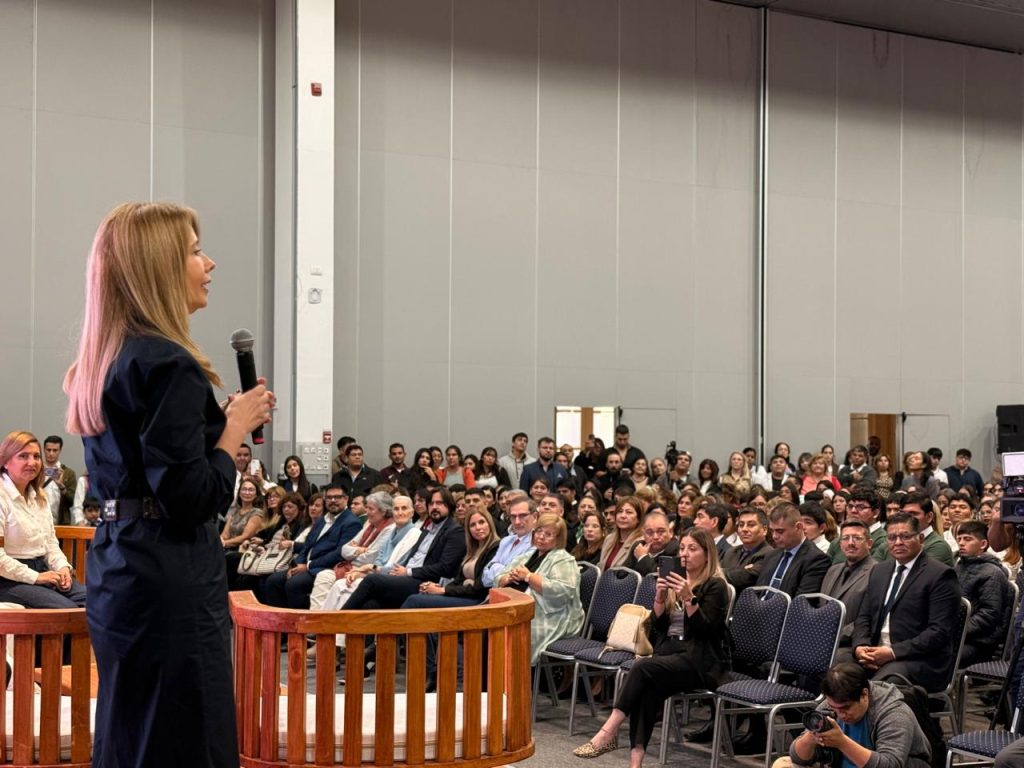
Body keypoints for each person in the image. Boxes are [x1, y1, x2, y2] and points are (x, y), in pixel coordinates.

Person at [64, 202, 275, 767]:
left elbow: (145, 470)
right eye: (194, 251)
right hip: (169, 573)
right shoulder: (168, 362)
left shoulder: (110, 357)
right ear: (158, 267)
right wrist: (234, 431)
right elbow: (190, 497)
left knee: (132, 730)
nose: (210, 263)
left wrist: (219, 426)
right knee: (185, 735)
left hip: (121, 562)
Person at [573, 528, 730, 767]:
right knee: (647, 691)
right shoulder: (676, 580)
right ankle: (635, 763)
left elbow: (706, 630)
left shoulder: (715, 586)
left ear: (708, 554)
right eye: (682, 548)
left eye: (693, 549)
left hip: (701, 661)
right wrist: (660, 597)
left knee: (642, 667)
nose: (685, 554)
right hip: (672, 654)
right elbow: (659, 627)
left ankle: (607, 732)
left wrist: (688, 598)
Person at [848, 513, 961, 691]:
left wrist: (893, 652)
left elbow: (938, 632)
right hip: (876, 651)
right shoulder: (879, 570)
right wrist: (861, 646)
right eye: (892, 537)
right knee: (837, 666)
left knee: (883, 685)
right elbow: (864, 616)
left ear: (921, 538)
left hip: (920, 659)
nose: (898, 542)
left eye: (905, 536)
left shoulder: (940, 575)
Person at [779, 662, 931, 768]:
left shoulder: (894, 712)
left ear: (864, 694)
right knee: (782, 764)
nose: (840, 714)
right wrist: (811, 738)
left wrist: (842, 742)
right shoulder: (829, 706)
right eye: (834, 708)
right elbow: (798, 758)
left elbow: (890, 765)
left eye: (846, 708)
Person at [0, 431, 88, 609]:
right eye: (23, 456)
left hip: (42, 569)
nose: (32, 462)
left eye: (36, 456)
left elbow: (50, 543)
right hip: (8, 578)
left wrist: (63, 567)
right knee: (66, 611)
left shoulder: (39, 496)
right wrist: (36, 577)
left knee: (96, 601)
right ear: (5, 462)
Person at [496, 514, 583, 664]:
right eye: (539, 531)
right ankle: (493, 676)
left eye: (548, 534)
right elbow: (499, 577)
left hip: (551, 617)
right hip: (514, 609)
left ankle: (516, 676)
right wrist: (508, 578)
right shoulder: (527, 555)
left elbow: (562, 591)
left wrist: (528, 577)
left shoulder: (563, 559)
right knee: (490, 629)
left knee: (511, 633)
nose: (541, 537)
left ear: (558, 539)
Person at [820, 520, 876, 649]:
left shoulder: (877, 572)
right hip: (822, 640)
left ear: (869, 543)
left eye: (857, 538)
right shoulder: (832, 570)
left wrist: (831, 636)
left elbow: (869, 618)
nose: (850, 543)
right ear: (840, 544)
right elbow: (821, 607)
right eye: (845, 538)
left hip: (850, 645)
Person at [720, 507, 773, 594]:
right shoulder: (731, 551)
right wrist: (742, 570)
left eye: (751, 525)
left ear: (764, 530)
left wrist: (720, 572)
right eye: (741, 525)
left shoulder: (769, 554)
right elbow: (714, 572)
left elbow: (745, 578)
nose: (744, 529)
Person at [41, 435, 78, 525]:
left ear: (60, 451)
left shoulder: (68, 473)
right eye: (48, 450)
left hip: (61, 523)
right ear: (44, 450)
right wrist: (39, 480)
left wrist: (61, 486)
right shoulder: (35, 471)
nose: (51, 453)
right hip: (38, 522)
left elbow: (72, 502)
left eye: (55, 450)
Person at [600, 496, 644, 570]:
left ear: (638, 519)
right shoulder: (609, 539)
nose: (623, 516)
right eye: (620, 511)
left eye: (629, 512)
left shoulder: (640, 543)